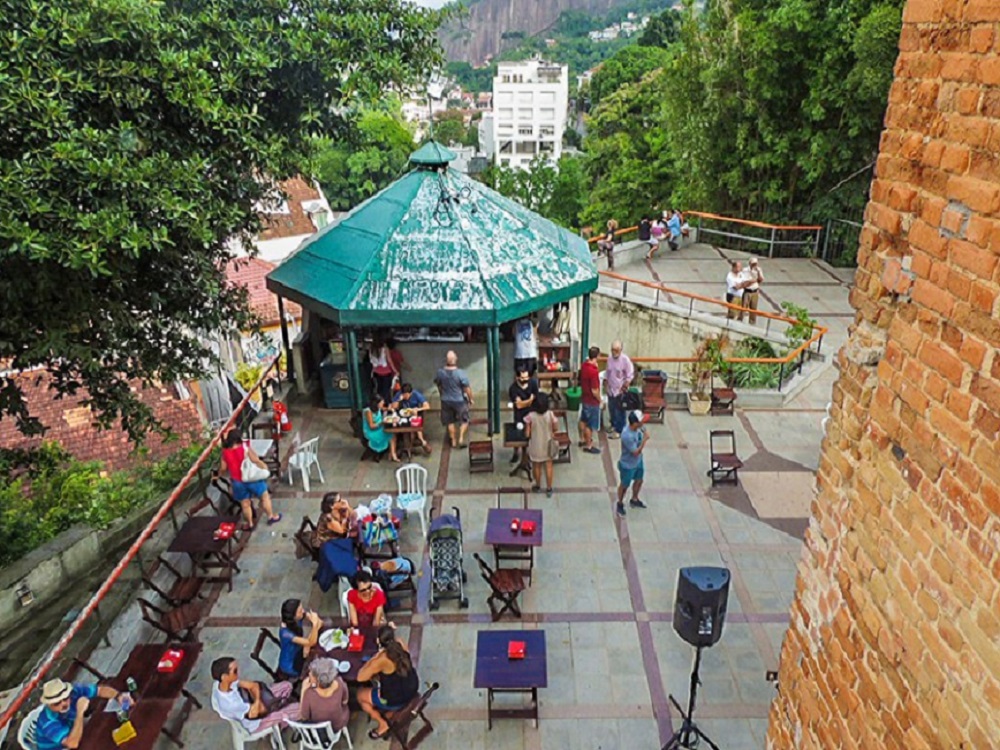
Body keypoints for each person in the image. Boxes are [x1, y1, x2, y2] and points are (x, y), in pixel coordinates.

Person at [357, 626, 420, 741]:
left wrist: (374, 658)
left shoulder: (382, 659)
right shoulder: (400, 643)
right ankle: (389, 712)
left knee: (360, 695)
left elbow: (360, 677)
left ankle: (382, 723)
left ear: (379, 641)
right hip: (412, 687)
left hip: (396, 699)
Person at [211, 657, 299, 735]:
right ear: (224, 677)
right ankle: (281, 718)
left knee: (287, 685)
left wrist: (257, 700)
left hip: (253, 703)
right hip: (256, 723)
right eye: (235, 671)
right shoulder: (232, 704)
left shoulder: (223, 683)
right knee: (299, 709)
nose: (238, 673)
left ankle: (281, 714)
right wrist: (257, 698)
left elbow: (253, 685)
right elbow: (261, 711)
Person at [35, 678, 128, 750]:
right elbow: (72, 744)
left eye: (65, 698)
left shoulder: (74, 691)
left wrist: (118, 696)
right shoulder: (47, 722)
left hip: (74, 733)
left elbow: (100, 690)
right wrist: (80, 712)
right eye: (57, 703)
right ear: (49, 705)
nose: (64, 704)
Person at [217, 427, 281, 530]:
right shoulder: (245, 447)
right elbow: (255, 459)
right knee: (264, 497)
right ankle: (271, 516)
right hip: (252, 478)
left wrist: (218, 474)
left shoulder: (225, 452)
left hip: (237, 482)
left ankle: (250, 524)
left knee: (245, 504)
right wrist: (264, 466)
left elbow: (223, 468)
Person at [298, 658, 350, 732]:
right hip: (339, 723)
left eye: (312, 674)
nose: (309, 674)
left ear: (317, 681)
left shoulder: (309, 694)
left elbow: (304, 716)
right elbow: (345, 701)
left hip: (320, 728)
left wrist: (303, 690)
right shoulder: (339, 682)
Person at [434, 351, 473, 449]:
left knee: (449, 421)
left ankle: (453, 441)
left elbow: (438, 385)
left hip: (445, 400)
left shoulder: (440, 373)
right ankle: (460, 438)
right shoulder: (460, 373)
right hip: (459, 400)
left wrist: (441, 394)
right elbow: (466, 388)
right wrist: (470, 398)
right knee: (464, 420)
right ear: (455, 360)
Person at [524, 391, 559, 497]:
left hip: (535, 444)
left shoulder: (530, 416)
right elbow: (555, 427)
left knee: (537, 466)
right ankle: (549, 488)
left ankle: (538, 486)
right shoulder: (550, 414)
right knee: (549, 466)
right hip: (548, 443)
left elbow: (527, 433)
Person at [278, 599, 322, 682]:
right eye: (300, 611)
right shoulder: (286, 633)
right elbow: (312, 642)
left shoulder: (299, 616)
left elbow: (320, 623)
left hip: (299, 649)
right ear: (293, 616)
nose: (303, 611)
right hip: (292, 662)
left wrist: (316, 623)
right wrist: (315, 625)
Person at [616, 412, 650, 517]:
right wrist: (644, 440)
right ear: (635, 423)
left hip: (638, 462)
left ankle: (634, 499)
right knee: (624, 485)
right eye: (640, 421)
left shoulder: (638, 429)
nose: (643, 423)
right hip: (628, 465)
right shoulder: (627, 436)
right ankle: (620, 503)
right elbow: (635, 452)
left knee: (639, 480)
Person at [508, 367, 539, 465]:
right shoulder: (513, 388)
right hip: (519, 415)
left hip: (531, 414)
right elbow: (519, 405)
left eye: (526, 378)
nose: (524, 380)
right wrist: (529, 401)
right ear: (517, 377)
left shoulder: (533, 383)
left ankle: (528, 454)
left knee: (531, 435)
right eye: (522, 378)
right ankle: (516, 453)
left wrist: (526, 402)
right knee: (518, 436)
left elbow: (536, 399)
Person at [605, 340, 634, 439]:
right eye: (613, 350)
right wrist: (606, 385)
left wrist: (625, 387)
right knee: (612, 409)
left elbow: (629, 375)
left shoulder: (625, 360)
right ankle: (613, 425)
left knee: (619, 411)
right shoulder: (609, 358)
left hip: (620, 390)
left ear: (621, 349)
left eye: (617, 350)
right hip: (611, 389)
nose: (614, 352)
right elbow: (607, 372)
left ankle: (619, 430)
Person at [391, 382, 432, 455]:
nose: (405, 397)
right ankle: (405, 445)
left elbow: (427, 406)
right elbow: (393, 406)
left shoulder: (416, 394)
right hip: (402, 415)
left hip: (413, 414)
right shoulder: (399, 395)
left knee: (415, 425)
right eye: (404, 395)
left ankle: (422, 441)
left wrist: (418, 409)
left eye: (407, 395)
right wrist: (399, 400)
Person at [578, 346, 602, 455]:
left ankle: (582, 439)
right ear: (597, 356)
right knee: (590, 425)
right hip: (592, 402)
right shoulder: (593, 372)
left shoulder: (584, 366)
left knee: (583, 419)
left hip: (585, 398)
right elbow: (595, 390)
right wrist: (600, 400)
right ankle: (588, 445)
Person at [363, 395, 399, 463]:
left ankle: (392, 454)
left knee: (393, 434)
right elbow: (371, 426)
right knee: (392, 435)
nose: (382, 404)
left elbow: (383, 408)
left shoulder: (377, 407)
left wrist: (389, 409)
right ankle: (392, 454)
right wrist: (382, 423)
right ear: (376, 403)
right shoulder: (368, 412)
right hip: (371, 431)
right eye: (381, 403)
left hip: (379, 427)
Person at [369, 337, 399, 405]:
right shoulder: (385, 348)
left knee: (379, 390)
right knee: (386, 391)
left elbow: (372, 361)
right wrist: (395, 371)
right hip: (386, 372)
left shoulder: (371, 349)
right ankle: (386, 405)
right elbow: (389, 361)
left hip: (376, 372)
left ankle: (380, 405)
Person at [742, 257, 765, 324]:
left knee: (753, 309)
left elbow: (760, 280)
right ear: (750, 263)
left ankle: (752, 323)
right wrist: (754, 279)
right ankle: (740, 320)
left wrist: (758, 273)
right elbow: (747, 282)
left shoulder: (759, 270)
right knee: (743, 308)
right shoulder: (745, 270)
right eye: (753, 264)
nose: (755, 265)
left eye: (756, 264)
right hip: (747, 291)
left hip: (755, 291)